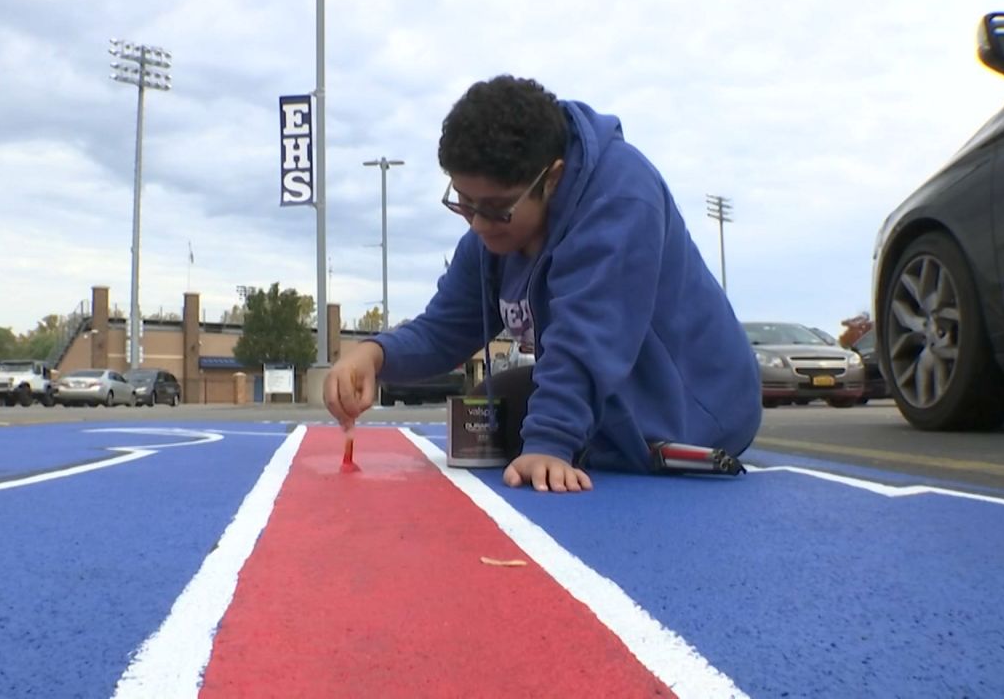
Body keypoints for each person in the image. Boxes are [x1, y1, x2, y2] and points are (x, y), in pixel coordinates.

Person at [324, 75, 761, 493]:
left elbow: (588, 335)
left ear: (550, 178)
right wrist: (373, 354)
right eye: (463, 201)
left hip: (697, 410)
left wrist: (550, 443)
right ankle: (588, 437)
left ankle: (608, 442)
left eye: (495, 208)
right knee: (486, 414)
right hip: (613, 395)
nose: (477, 223)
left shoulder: (622, 195)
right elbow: (444, 327)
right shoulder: (489, 236)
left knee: (535, 434)